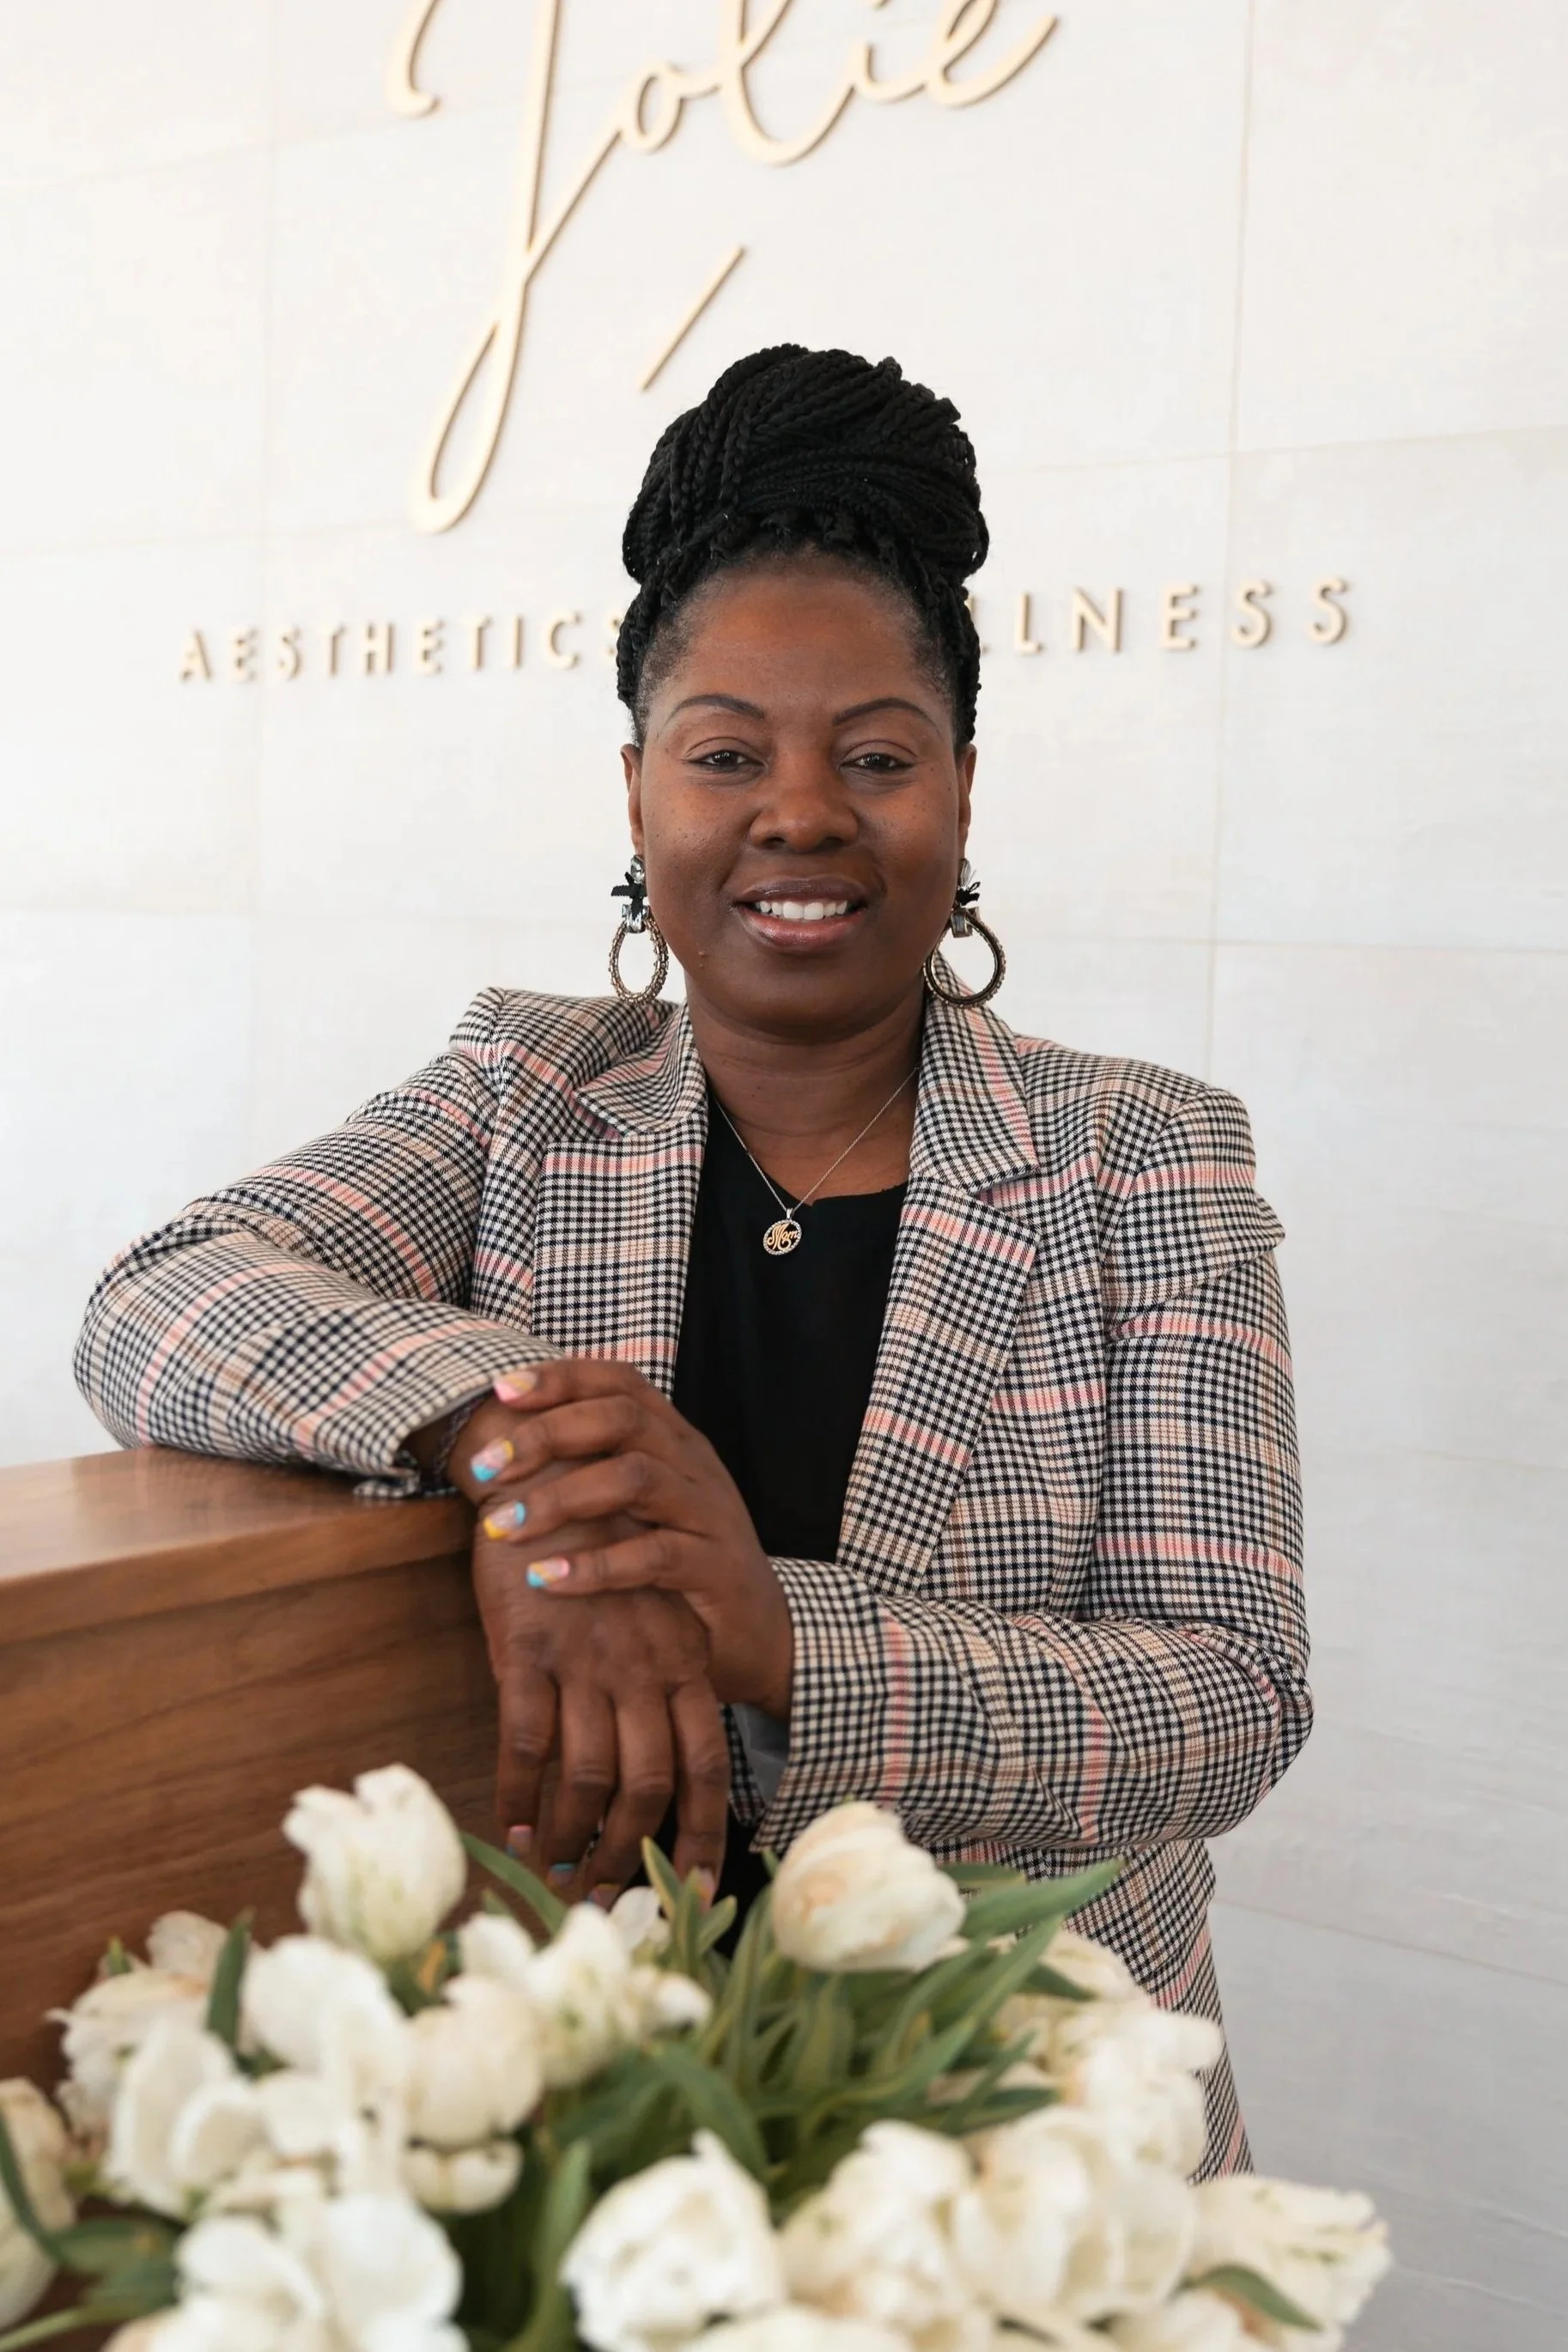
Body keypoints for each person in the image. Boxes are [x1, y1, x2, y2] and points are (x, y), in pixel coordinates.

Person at [76, 344, 1310, 2178]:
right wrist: (513, 1459)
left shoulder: (1143, 1157)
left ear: (960, 791)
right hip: (576, 2114)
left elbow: (1226, 1695)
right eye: (727, 752)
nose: (798, 812)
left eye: (873, 756)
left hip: (1009, 2133)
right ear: (640, 789)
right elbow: (165, 1289)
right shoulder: (521, 1087)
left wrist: (766, 1624)